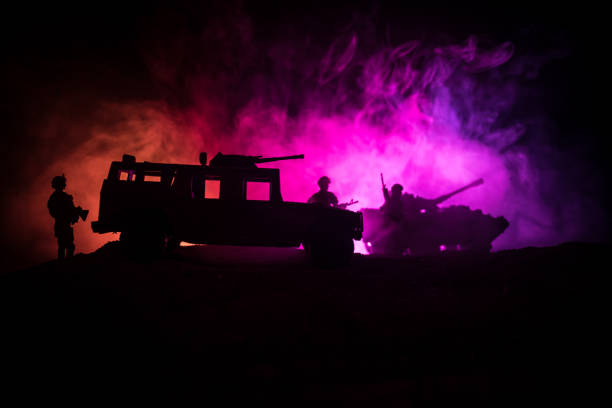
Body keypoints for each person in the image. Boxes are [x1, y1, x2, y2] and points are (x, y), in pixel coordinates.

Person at [47, 175, 88, 260]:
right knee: (68, 246)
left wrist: (75, 211)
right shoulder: (60, 197)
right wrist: (75, 212)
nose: (65, 185)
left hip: (62, 224)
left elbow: (61, 211)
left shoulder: (55, 197)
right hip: (63, 224)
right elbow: (62, 211)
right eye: (63, 183)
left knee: (64, 245)